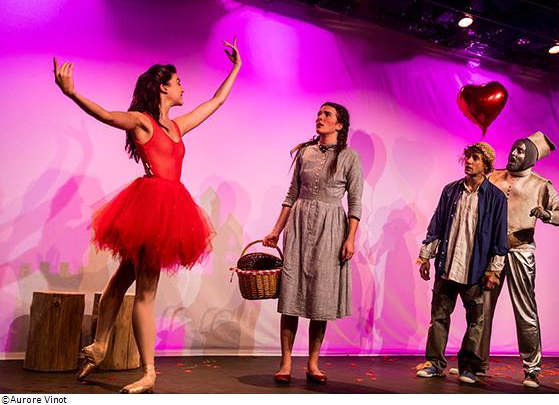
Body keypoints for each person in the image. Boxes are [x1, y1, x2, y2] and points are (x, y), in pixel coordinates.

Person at [52, 38, 241, 393]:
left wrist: (236, 69)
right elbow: (107, 115)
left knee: (121, 279)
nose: (183, 86)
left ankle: (100, 346)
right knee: (145, 293)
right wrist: (73, 94)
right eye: (178, 81)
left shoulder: (177, 126)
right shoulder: (142, 122)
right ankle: (148, 371)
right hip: (151, 208)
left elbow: (215, 102)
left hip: (168, 208)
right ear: (163, 87)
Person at [263, 102, 363, 384]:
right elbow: (291, 194)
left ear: (339, 125)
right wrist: (276, 230)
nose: (320, 117)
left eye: (327, 114)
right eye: (319, 113)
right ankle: (285, 363)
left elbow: (355, 202)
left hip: (331, 228)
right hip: (299, 224)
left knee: (321, 296)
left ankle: (313, 363)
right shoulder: (305, 152)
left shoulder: (350, 157)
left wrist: (350, 238)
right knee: (291, 295)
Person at [479, 132, 559, 388]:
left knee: (525, 311)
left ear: (531, 156)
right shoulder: (493, 177)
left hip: (520, 251)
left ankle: (532, 368)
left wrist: (547, 214)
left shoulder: (540, 185)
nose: (514, 153)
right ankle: (476, 363)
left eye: (521, 150)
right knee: (481, 308)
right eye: (513, 148)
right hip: (491, 253)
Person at [415, 142, 508, 384]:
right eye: (468, 157)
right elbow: (437, 224)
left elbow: (499, 236)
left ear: (486, 165)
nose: (469, 161)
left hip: (475, 269)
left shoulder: (496, 198)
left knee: (476, 320)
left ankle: (468, 367)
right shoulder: (451, 191)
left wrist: (494, 270)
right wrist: (425, 256)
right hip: (447, 265)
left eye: (475, 158)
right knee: (439, 316)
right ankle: (435, 363)